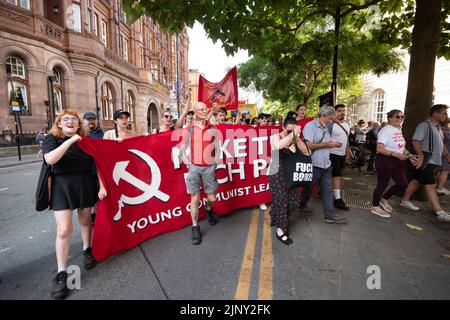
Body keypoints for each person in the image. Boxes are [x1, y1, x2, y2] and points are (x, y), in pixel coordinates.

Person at [42, 109, 98, 299]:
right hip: (62, 185)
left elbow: (101, 160)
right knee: (64, 229)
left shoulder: (85, 141)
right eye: (66, 119)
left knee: (85, 221)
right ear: (59, 123)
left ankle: (87, 249)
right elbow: (50, 159)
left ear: (79, 124)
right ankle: (62, 272)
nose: (70, 121)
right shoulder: (51, 139)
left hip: (84, 183)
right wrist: (70, 141)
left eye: (74, 119)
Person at [400, 104, 450, 222]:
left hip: (432, 161)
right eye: (444, 113)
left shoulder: (437, 127)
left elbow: (441, 144)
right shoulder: (425, 125)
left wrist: (447, 155)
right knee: (431, 185)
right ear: (435, 113)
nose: (446, 116)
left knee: (417, 181)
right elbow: (416, 140)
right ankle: (440, 212)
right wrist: (421, 156)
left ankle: (404, 201)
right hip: (427, 159)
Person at [300, 106, 348, 224]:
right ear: (324, 116)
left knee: (327, 190)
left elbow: (326, 144)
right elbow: (308, 145)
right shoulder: (310, 126)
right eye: (331, 119)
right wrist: (328, 144)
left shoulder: (326, 127)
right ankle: (299, 206)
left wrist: (334, 144)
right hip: (314, 164)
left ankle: (330, 215)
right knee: (307, 188)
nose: (332, 121)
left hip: (326, 164)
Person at [180, 102, 219, 245]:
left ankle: (209, 209)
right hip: (194, 168)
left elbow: (217, 147)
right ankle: (195, 227)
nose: (205, 111)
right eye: (201, 109)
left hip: (209, 168)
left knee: (212, 197)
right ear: (195, 112)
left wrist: (214, 163)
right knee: (195, 199)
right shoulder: (189, 129)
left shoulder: (212, 127)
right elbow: (182, 150)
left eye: (205, 109)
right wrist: (190, 165)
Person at [268, 117, 310, 245]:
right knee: (281, 201)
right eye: (288, 130)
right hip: (276, 173)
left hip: (291, 175)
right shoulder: (275, 136)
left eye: (293, 130)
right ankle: (281, 230)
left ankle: (276, 213)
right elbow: (277, 146)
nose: (290, 133)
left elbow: (307, 152)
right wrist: (292, 134)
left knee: (293, 201)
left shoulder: (295, 139)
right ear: (282, 127)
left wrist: (296, 138)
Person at [371, 110, 417, 218]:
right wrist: (395, 154)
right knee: (382, 184)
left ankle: (384, 198)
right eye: (397, 117)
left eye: (402, 117)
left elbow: (400, 146)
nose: (400, 119)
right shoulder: (386, 130)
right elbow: (379, 148)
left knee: (403, 183)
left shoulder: (398, 129)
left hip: (396, 160)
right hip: (384, 160)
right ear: (390, 118)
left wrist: (410, 156)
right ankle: (375, 206)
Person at [328, 104, 351, 211]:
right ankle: (337, 200)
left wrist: (347, 153)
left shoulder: (346, 124)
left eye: (343, 110)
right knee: (337, 176)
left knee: (335, 175)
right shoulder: (330, 124)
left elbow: (346, 140)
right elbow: (323, 139)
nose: (342, 112)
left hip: (342, 155)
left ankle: (322, 189)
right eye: (339, 110)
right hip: (332, 154)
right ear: (334, 112)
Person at [83, 111, 104, 225]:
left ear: (97, 120)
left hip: (99, 170)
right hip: (86, 171)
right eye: (88, 119)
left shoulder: (103, 133)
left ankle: (98, 218)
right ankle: (92, 218)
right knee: (90, 197)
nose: (91, 121)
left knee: (99, 197)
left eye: (93, 119)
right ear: (84, 121)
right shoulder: (81, 134)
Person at [437, 118, 450, 195]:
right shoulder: (446, 131)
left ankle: (440, 186)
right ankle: (440, 188)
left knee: (441, 170)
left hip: (441, 153)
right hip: (447, 153)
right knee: (445, 171)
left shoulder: (440, 130)